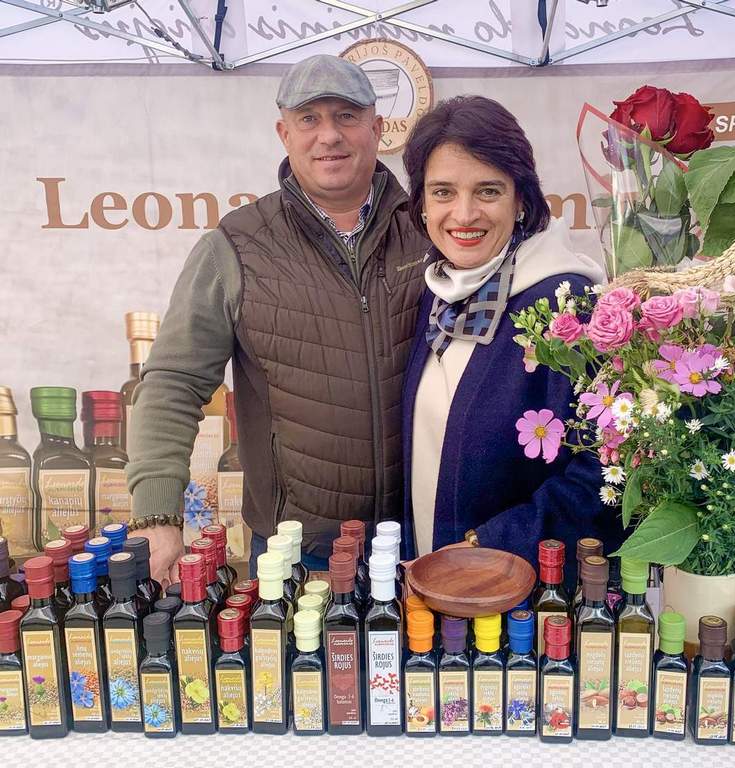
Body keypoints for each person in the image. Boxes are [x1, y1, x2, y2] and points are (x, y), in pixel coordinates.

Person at [126, 55, 428, 585]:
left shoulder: (430, 231)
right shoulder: (236, 246)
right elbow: (174, 382)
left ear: (378, 128)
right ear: (284, 134)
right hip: (297, 551)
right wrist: (157, 517)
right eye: (309, 119)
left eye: (347, 116)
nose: (329, 135)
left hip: (423, 539)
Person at [400, 95, 618, 587]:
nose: (464, 214)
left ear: (521, 199)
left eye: (488, 191)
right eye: (442, 192)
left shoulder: (566, 308)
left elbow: (604, 476)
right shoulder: (437, 293)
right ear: (422, 203)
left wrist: (490, 547)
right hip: (438, 585)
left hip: (521, 596)